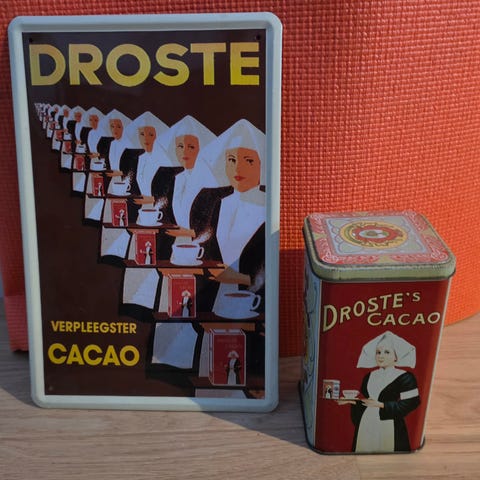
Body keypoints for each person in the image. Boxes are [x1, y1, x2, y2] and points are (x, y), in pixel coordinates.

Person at [338, 331, 421, 453]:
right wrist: (352, 402)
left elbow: (412, 403)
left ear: (396, 356)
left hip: (389, 425)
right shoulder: (369, 376)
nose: (380, 356)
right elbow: (368, 403)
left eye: (387, 352)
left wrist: (381, 405)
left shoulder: (405, 377)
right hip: (367, 423)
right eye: (378, 352)